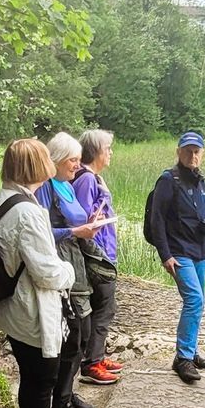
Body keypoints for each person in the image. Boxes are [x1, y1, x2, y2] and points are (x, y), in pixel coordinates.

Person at [0, 138, 80, 408]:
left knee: (33, 377)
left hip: (13, 306)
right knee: (40, 381)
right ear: (38, 166)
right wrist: (69, 272)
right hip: (31, 308)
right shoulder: (28, 212)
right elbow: (47, 272)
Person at [37, 132, 105, 408]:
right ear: (56, 160)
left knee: (83, 334)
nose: (78, 165)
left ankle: (67, 391)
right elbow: (40, 233)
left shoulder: (67, 186)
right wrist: (75, 231)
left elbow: (75, 222)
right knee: (74, 335)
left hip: (77, 265)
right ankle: (60, 405)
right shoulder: (45, 188)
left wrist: (89, 224)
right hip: (61, 267)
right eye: (72, 160)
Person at [144, 131, 205, 384]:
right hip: (178, 252)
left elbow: (201, 218)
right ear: (178, 152)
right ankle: (182, 358)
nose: (192, 156)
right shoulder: (168, 180)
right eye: (188, 151)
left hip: (199, 252)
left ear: (202, 154)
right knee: (194, 299)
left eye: (196, 152)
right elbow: (157, 220)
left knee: (200, 300)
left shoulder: (200, 182)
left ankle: (192, 351)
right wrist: (165, 255)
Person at [71, 129, 124, 386]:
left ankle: (97, 356)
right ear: (95, 152)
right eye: (107, 149)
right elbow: (82, 219)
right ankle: (92, 363)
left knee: (103, 306)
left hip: (102, 252)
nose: (110, 152)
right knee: (104, 307)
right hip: (96, 255)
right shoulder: (86, 180)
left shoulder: (93, 178)